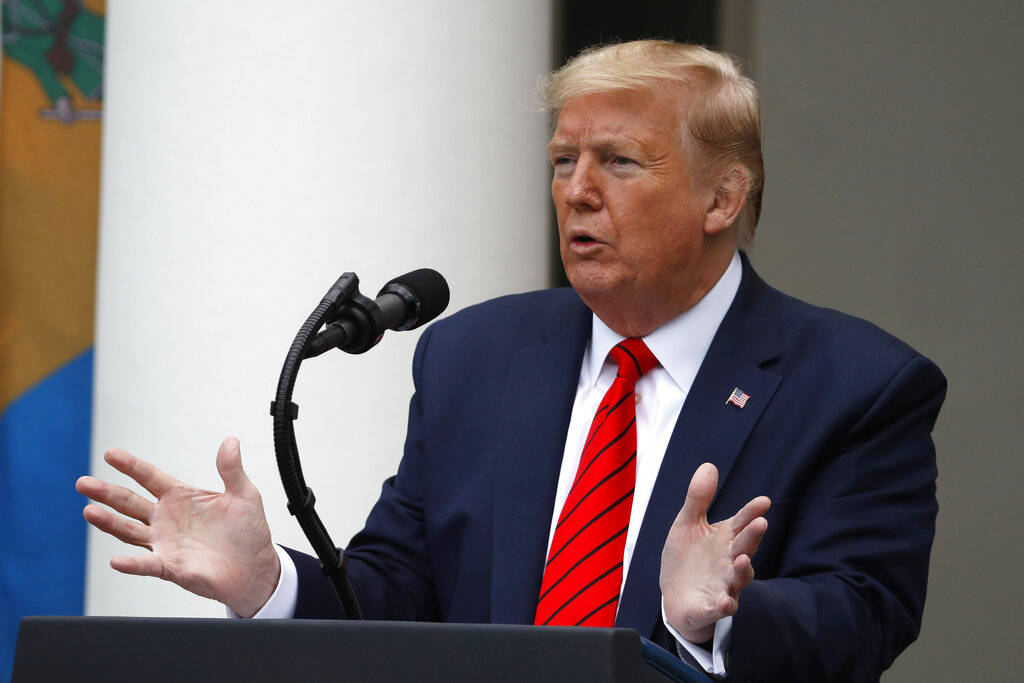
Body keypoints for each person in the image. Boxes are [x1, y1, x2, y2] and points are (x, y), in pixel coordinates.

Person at [76, 41, 945, 681]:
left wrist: (719, 615)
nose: (577, 190)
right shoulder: (473, 356)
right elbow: (405, 592)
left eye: (619, 162)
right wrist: (273, 583)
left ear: (723, 197)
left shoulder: (857, 386)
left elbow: (863, 615)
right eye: (564, 160)